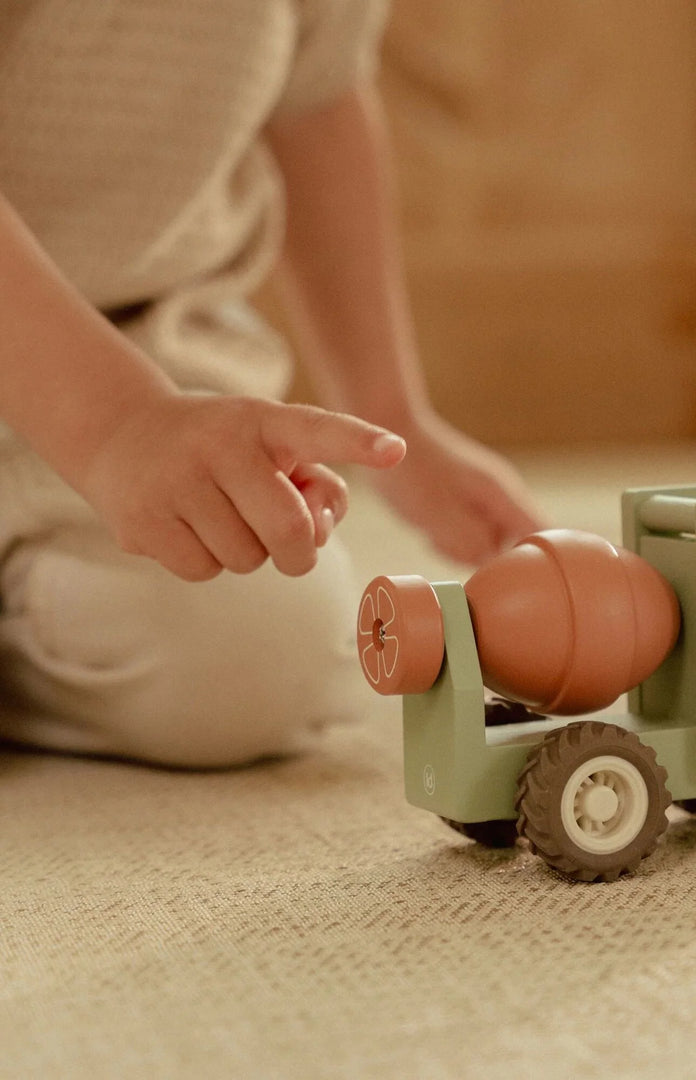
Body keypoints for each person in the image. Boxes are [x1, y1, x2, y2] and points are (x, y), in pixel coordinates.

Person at [0, 1, 543, 768]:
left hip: (157, 362)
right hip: (116, 406)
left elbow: (317, 93)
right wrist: (116, 425)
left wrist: (393, 415)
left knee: (262, 657)